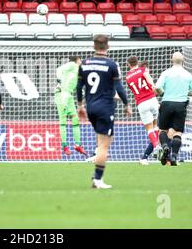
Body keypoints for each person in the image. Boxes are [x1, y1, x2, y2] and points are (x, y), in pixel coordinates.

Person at [77, 35, 132, 189]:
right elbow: (119, 88)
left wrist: (80, 106)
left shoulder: (85, 64)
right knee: (104, 146)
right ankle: (98, 179)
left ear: (94, 47)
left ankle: (97, 175)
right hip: (105, 108)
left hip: (91, 108)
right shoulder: (111, 65)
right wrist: (127, 104)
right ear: (108, 46)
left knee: (102, 140)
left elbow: (78, 87)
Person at [155, 52, 192, 166]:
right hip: (181, 104)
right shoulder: (188, 74)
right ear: (183, 61)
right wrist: (185, 93)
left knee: (163, 130)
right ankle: (174, 156)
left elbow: (157, 87)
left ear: (171, 60)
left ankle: (165, 147)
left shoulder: (166, 73)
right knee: (177, 132)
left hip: (167, 103)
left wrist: (162, 93)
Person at [125, 57, 161, 165]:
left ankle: (156, 147)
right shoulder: (142, 70)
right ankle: (156, 147)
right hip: (152, 99)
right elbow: (147, 77)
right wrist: (153, 86)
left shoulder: (127, 77)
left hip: (141, 103)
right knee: (155, 125)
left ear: (128, 64)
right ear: (137, 63)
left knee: (149, 129)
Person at [55, 56, 87, 156]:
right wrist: (59, 82)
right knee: (63, 120)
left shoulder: (77, 73)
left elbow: (78, 85)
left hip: (68, 95)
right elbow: (58, 69)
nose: (81, 61)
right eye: (80, 60)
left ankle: (77, 145)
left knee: (75, 119)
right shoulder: (72, 65)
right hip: (62, 94)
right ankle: (64, 146)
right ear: (77, 60)